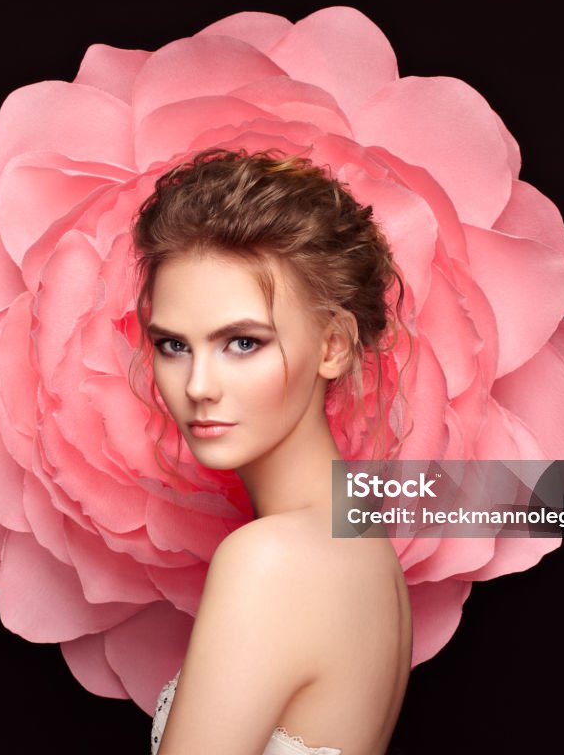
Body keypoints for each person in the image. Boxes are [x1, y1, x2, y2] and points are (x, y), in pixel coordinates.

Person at [132, 148, 412, 755]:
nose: (199, 386)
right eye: (174, 345)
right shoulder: (360, 541)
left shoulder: (270, 560)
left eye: (241, 342)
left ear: (334, 345)